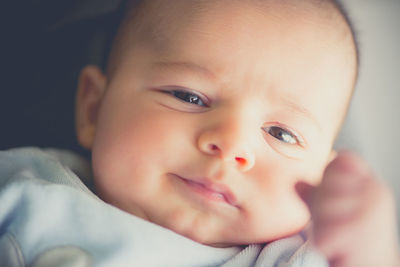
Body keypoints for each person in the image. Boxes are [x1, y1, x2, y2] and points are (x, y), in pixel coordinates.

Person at [0, 0, 399, 266]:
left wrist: (375, 251)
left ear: (323, 180)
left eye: (281, 134)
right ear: (93, 108)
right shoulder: (27, 189)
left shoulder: (291, 257)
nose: (231, 145)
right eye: (189, 96)